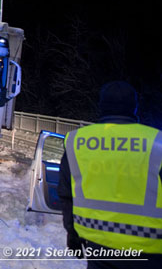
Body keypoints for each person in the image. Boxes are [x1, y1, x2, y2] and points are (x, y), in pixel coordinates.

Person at [58, 81, 162, 268]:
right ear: (135, 107)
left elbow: (67, 193)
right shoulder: (157, 143)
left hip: (99, 248)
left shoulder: (78, 141)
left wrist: (71, 232)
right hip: (151, 251)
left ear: (102, 106)